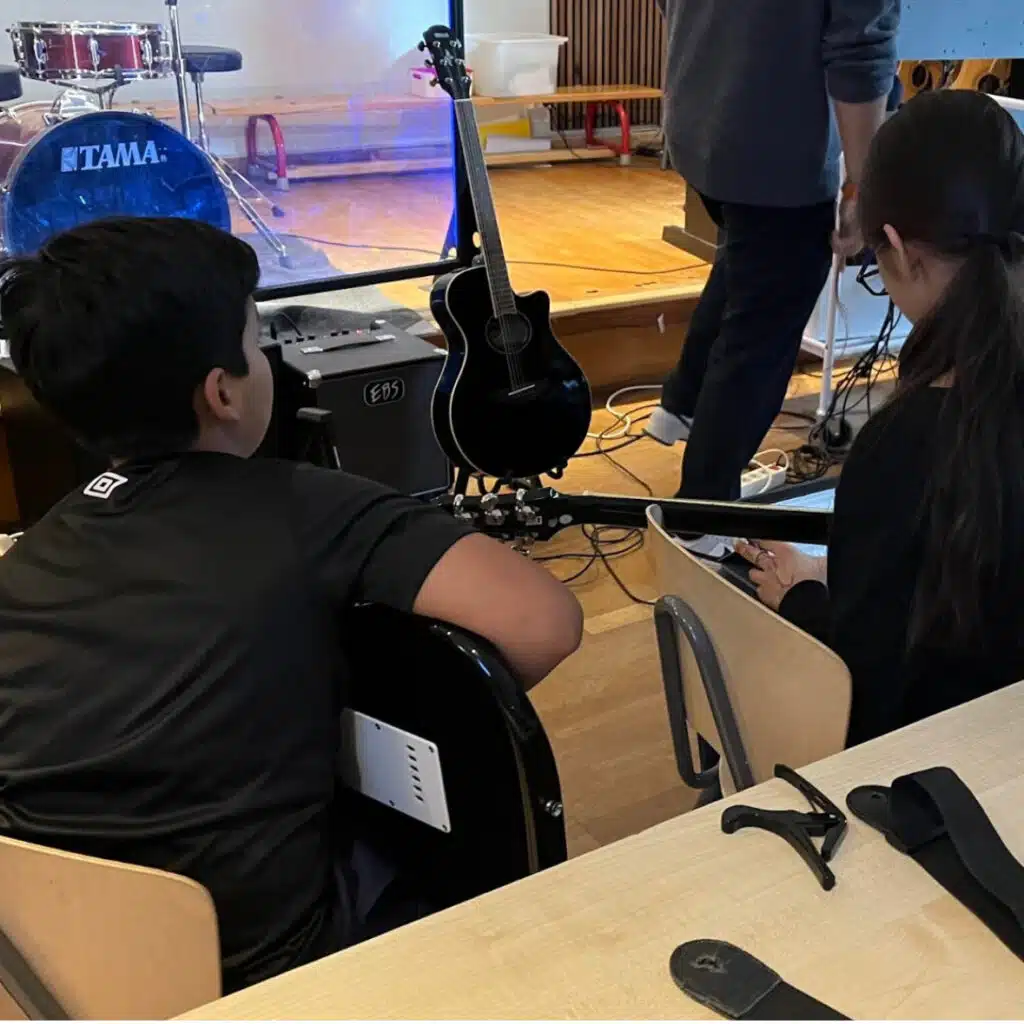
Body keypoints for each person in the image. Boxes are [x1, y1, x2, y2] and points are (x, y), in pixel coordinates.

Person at [0, 217, 583, 993]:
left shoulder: (33, 554)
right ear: (223, 393)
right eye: (256, 340)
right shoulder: (307, 508)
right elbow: (545, 625)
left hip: (58, 971)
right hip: (266, 971)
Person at [735, 90, 1024, 746]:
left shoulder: (904, 444)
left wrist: (802, 598)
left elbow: (870, 682)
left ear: (898, 245)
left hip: (941, 774)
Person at [649, 0, 901, 500]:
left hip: (700, 119)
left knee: (751, 263)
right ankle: (702, 513)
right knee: (764, 327)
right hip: (774, 146)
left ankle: (684, 402)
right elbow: (860, 49)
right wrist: (860, 188)